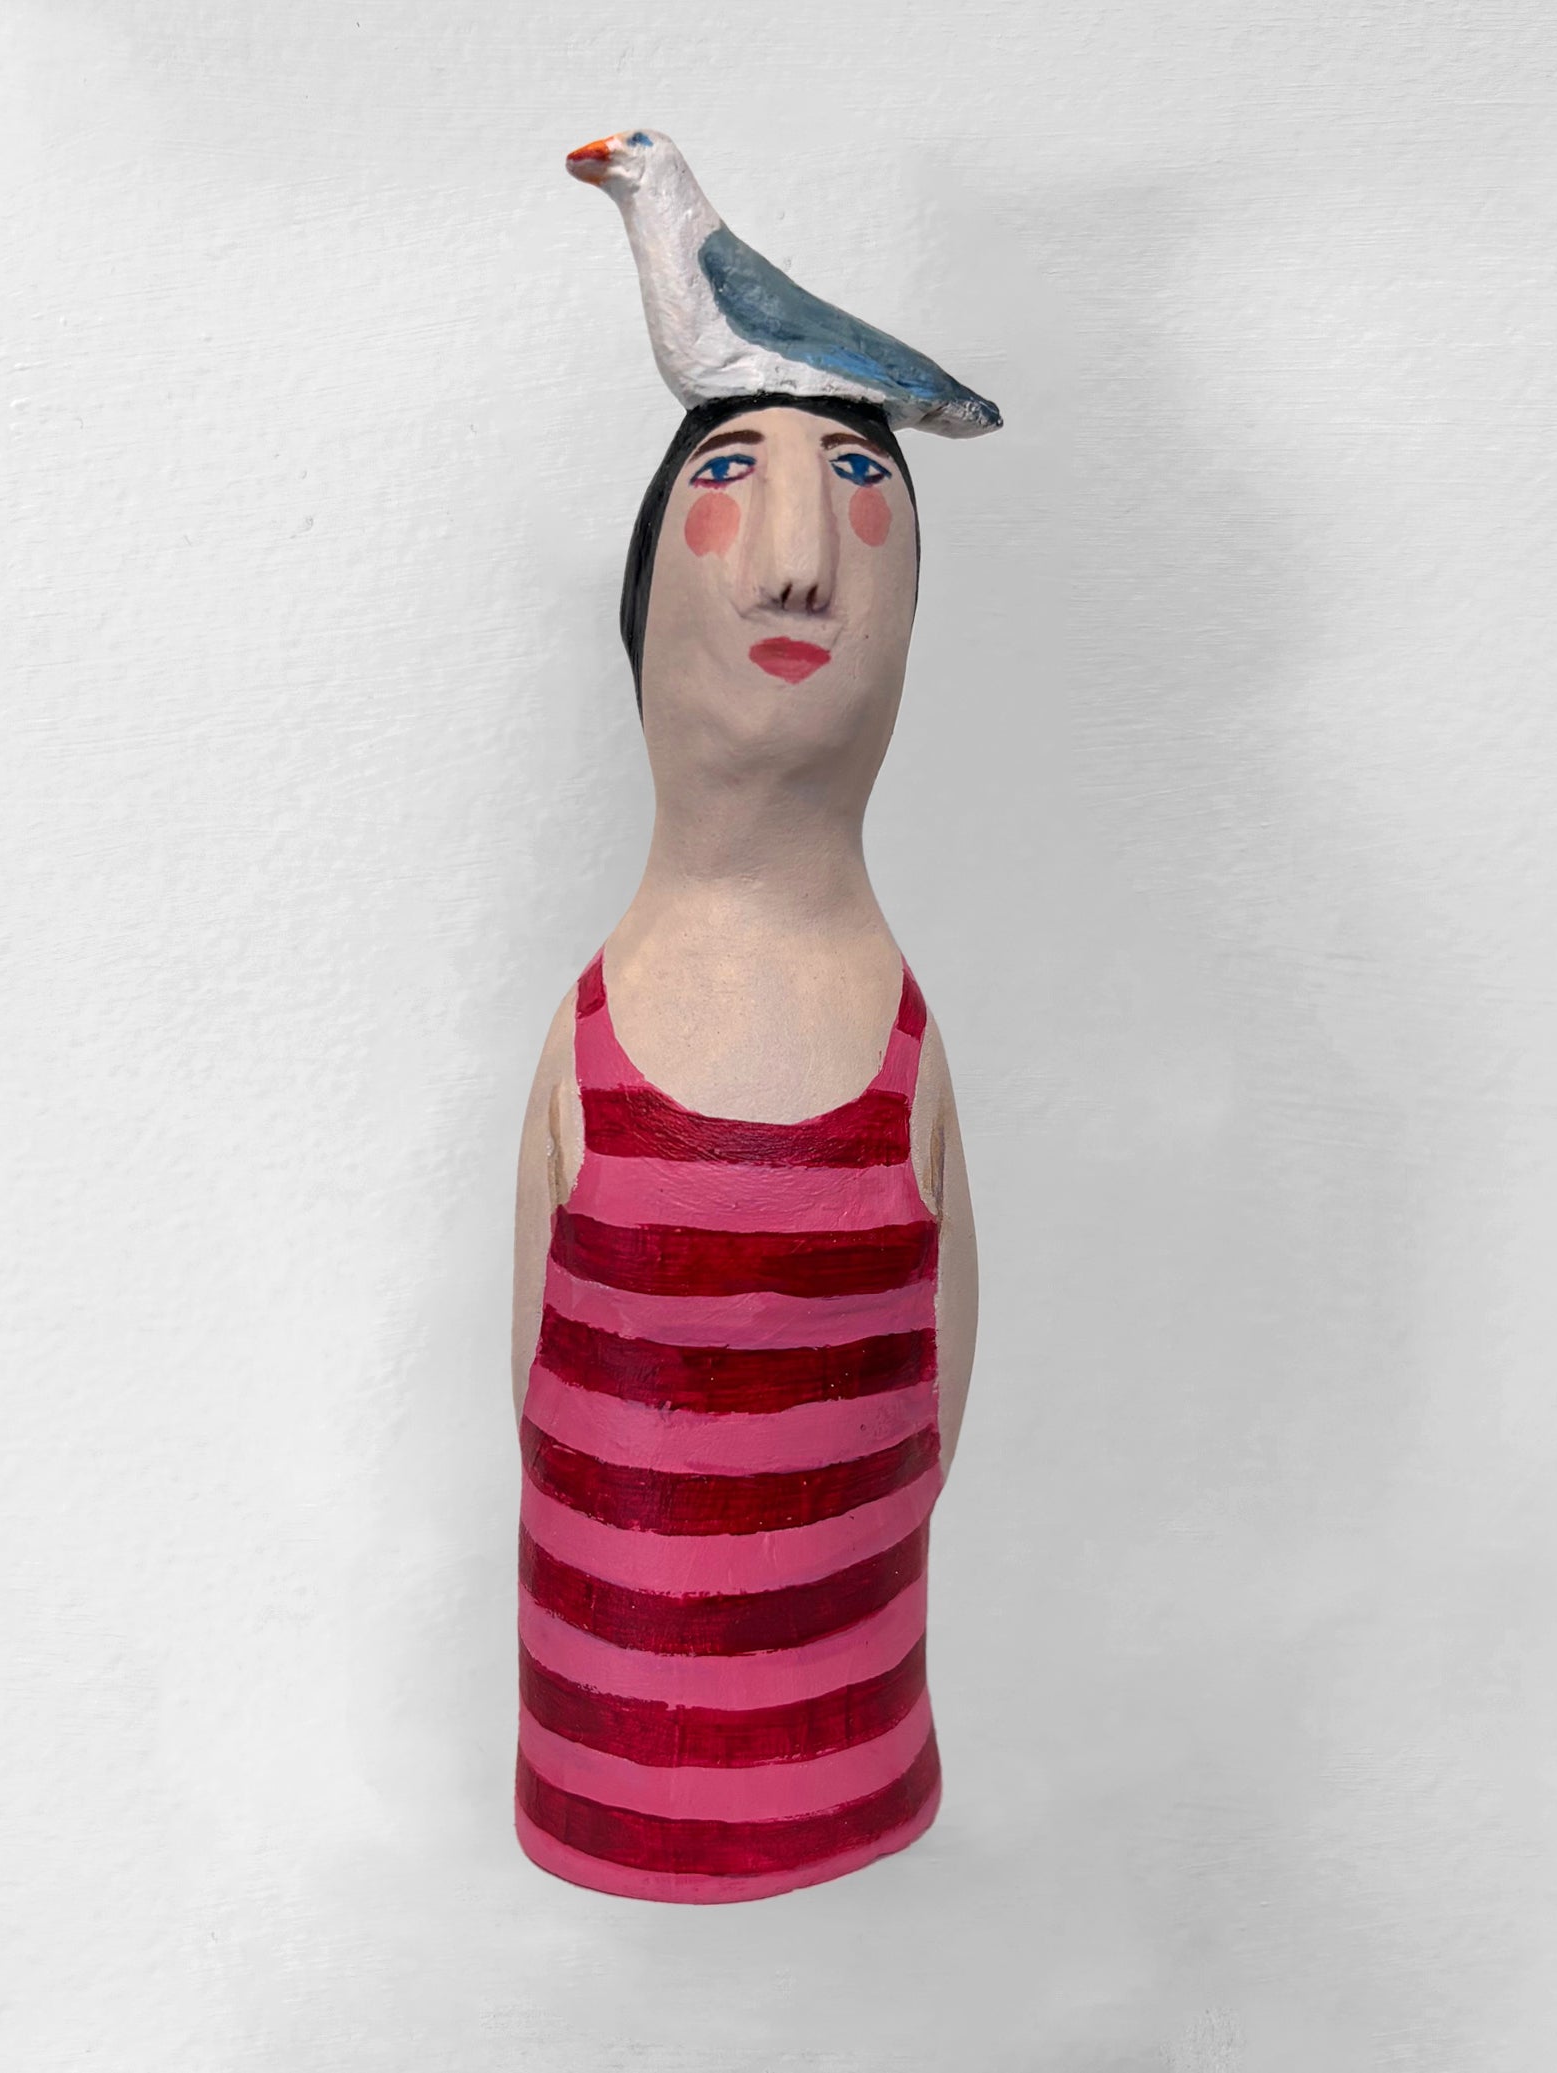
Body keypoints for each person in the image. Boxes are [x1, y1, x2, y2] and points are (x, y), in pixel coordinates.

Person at [508, 392, 979, 1901]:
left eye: (856, 480)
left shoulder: (905, 1041)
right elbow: (536, 1407)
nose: (796, 562)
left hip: (864, 1780)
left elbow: (929, 1429)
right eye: (732, 471)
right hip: (601, 1789)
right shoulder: (590, 1033)